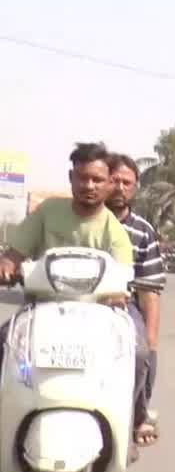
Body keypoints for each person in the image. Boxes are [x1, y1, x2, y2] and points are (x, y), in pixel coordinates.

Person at [0, 143, 138, 366]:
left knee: (137, 356)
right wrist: (6, 266)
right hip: (40, 314)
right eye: (82, 178)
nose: (89, 185)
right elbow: (14, 253)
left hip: (95, 323)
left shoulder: (116, 233)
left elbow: (122, 280)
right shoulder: (47, 211)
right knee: (5, 342)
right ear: (71, 177)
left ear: (110, 183)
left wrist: (118, 295)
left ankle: (132, 402)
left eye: (97, 179)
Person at [106, 153, 167, 446]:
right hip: (70, 301)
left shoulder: (142, 231)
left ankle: (133, 414)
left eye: (126, 182)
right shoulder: (75, 217)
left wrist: (150, 341)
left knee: (141, 353)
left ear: (135, 187)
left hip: (121, 305)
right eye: (114, 180)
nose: (119, 187)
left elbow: (149, 291)